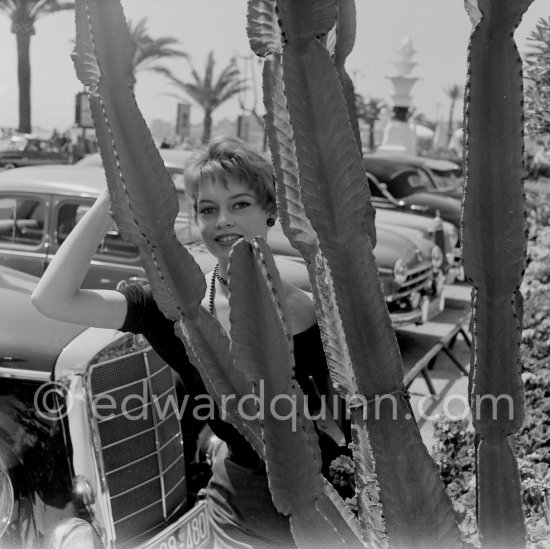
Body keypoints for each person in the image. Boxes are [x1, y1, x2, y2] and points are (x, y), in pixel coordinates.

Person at [31, 136, 345, 549]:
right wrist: (111, 198)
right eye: (208, 210)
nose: (223, 222)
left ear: (270, 212)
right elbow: (52, 299)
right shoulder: (178, 303)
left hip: (321, 510)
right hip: (236, 506)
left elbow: (343, 422)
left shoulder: (306, 310)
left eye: (240, 204)